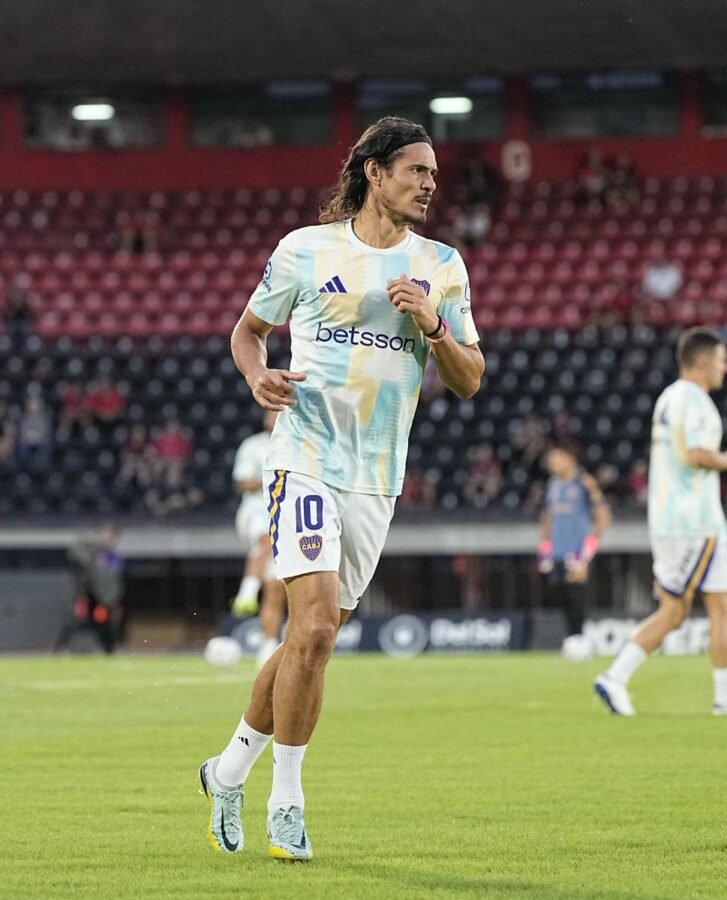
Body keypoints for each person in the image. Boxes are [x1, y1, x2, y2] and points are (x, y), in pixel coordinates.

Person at [198, 116, 484, 860]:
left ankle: (227, 770)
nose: (429, 183)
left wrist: (432, 326)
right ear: (373, 172)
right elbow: (247, 333)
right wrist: (255, 374)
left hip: (377, 475)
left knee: (308, 642)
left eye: (432, 173)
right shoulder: (305, 249)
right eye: (415, 170)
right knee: (316, 628)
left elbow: (469, 380)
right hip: (304, 454)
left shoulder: (443, 266)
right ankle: (285, 801)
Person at [595, 328, 727, 717]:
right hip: (690, 523)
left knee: (720, 606)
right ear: (702, 362)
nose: (724, 367)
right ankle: (615, 676)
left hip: (691, 519)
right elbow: (699, 455)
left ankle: (723, 699)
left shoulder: (669, 397)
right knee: (675, 611)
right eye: (721, 360)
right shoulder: (697, 402)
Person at [230, 410, 287, 670]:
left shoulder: (297, 443)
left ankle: (267, 648)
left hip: (283, 519)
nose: (272, 419)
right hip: (254, 513)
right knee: (265, 538)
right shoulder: (252, 445)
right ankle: (246, 592)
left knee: (275, 589)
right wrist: (274, 479)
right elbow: (241, 483)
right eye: (269, 415)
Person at [538, 445, 611, 641]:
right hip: (558, 551)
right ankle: (571, 638)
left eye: (557, 459)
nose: (553, 465)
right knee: (562, 596)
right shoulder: (552, 485)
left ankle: (580, 639)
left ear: (570, 459)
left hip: (577, 551)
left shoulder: (583, 483)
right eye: (551, 461)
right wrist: (545, 547)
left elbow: (602, 515)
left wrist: (588, 549)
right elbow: (547, 517)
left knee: (576, 595)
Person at [57, 524, 125, 654]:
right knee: (77, 621)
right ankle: (71, 648)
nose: (105, 539)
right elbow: (75, 554)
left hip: (103, 599)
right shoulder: (92, 551)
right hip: (88, 595)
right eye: (103, 535)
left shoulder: (114, 556)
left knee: (103, 623)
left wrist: (114, 600)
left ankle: (107, 649)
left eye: (109, 536)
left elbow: (111, 580)